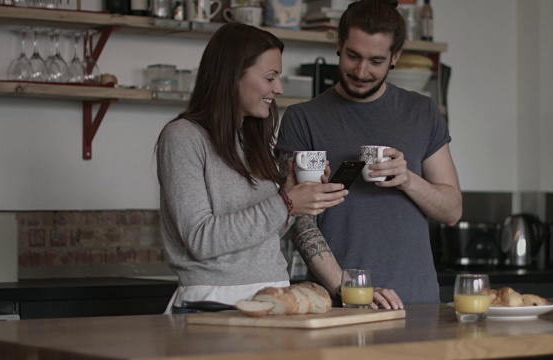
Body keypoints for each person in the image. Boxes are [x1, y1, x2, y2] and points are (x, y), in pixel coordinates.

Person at [275, 0, 462, 307]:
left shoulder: (421, 111)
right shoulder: (302, 119)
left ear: (395, 57)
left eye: (375, 61)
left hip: (418, 303)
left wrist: (407, 180)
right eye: (353, 56)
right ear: (339, 43)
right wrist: (349, 291)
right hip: (342, 305)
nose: (361, 71)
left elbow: (452, 211)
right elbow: (299, 221)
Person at [156, 23, 348, 314]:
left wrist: (290, 193)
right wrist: (287, 203)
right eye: (270, 77)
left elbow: (261, 235)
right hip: (212, 304)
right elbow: (201, 239)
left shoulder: (251, 139)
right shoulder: (183, 137)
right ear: (234, 76)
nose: (279, 89)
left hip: (275, 296)